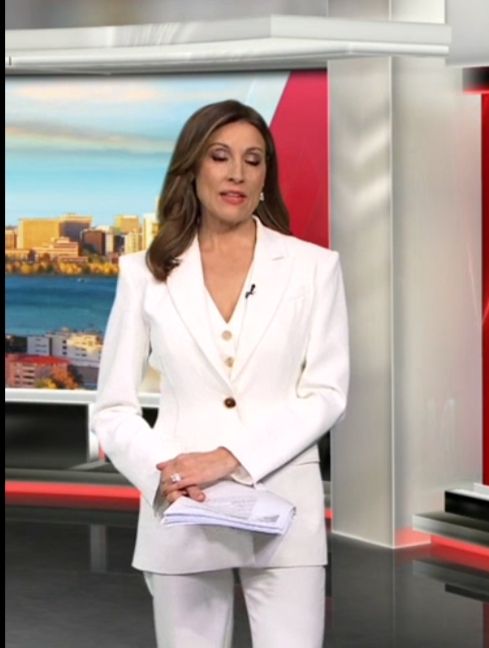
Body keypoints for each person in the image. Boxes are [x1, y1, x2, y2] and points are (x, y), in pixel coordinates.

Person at [92, 99, 349, 648]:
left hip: (285, 504)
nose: (237, 173)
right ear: (192, 168)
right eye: (219, 156)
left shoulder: (314, 267)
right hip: (184, 507)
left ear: (265, 176)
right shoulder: (143, 273)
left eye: (253, 160)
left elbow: (326, 393)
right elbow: (113, 408)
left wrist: (231, 457)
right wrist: (168, 477)